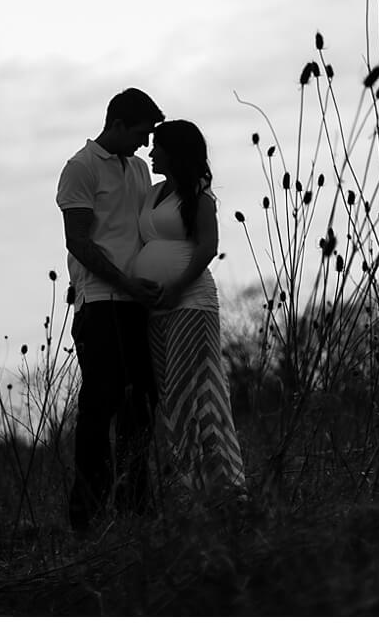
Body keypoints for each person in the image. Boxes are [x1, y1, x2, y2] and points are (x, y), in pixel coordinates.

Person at [56, 87, 165, 531]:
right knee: (99, 406)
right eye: (140, 133)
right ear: (117, 124)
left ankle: (135, 504)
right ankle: (88, 513)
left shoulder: (139, 169)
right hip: (100, 304)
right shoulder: (80, 168)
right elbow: (78, 241)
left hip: (139, 305)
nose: (145, 143)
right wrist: (124, 283)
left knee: (142, 406)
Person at [132, 119, 246, 495]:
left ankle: (199, 487)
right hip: (155, 309)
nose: (151, 152)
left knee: (185, 393)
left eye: (158, 146)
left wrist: (177, 287)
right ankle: (207, 487)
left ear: (175, 150)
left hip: (190, 304)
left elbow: (207, 247)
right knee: (174, 396)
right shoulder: (153, 193)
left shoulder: (197, 193)